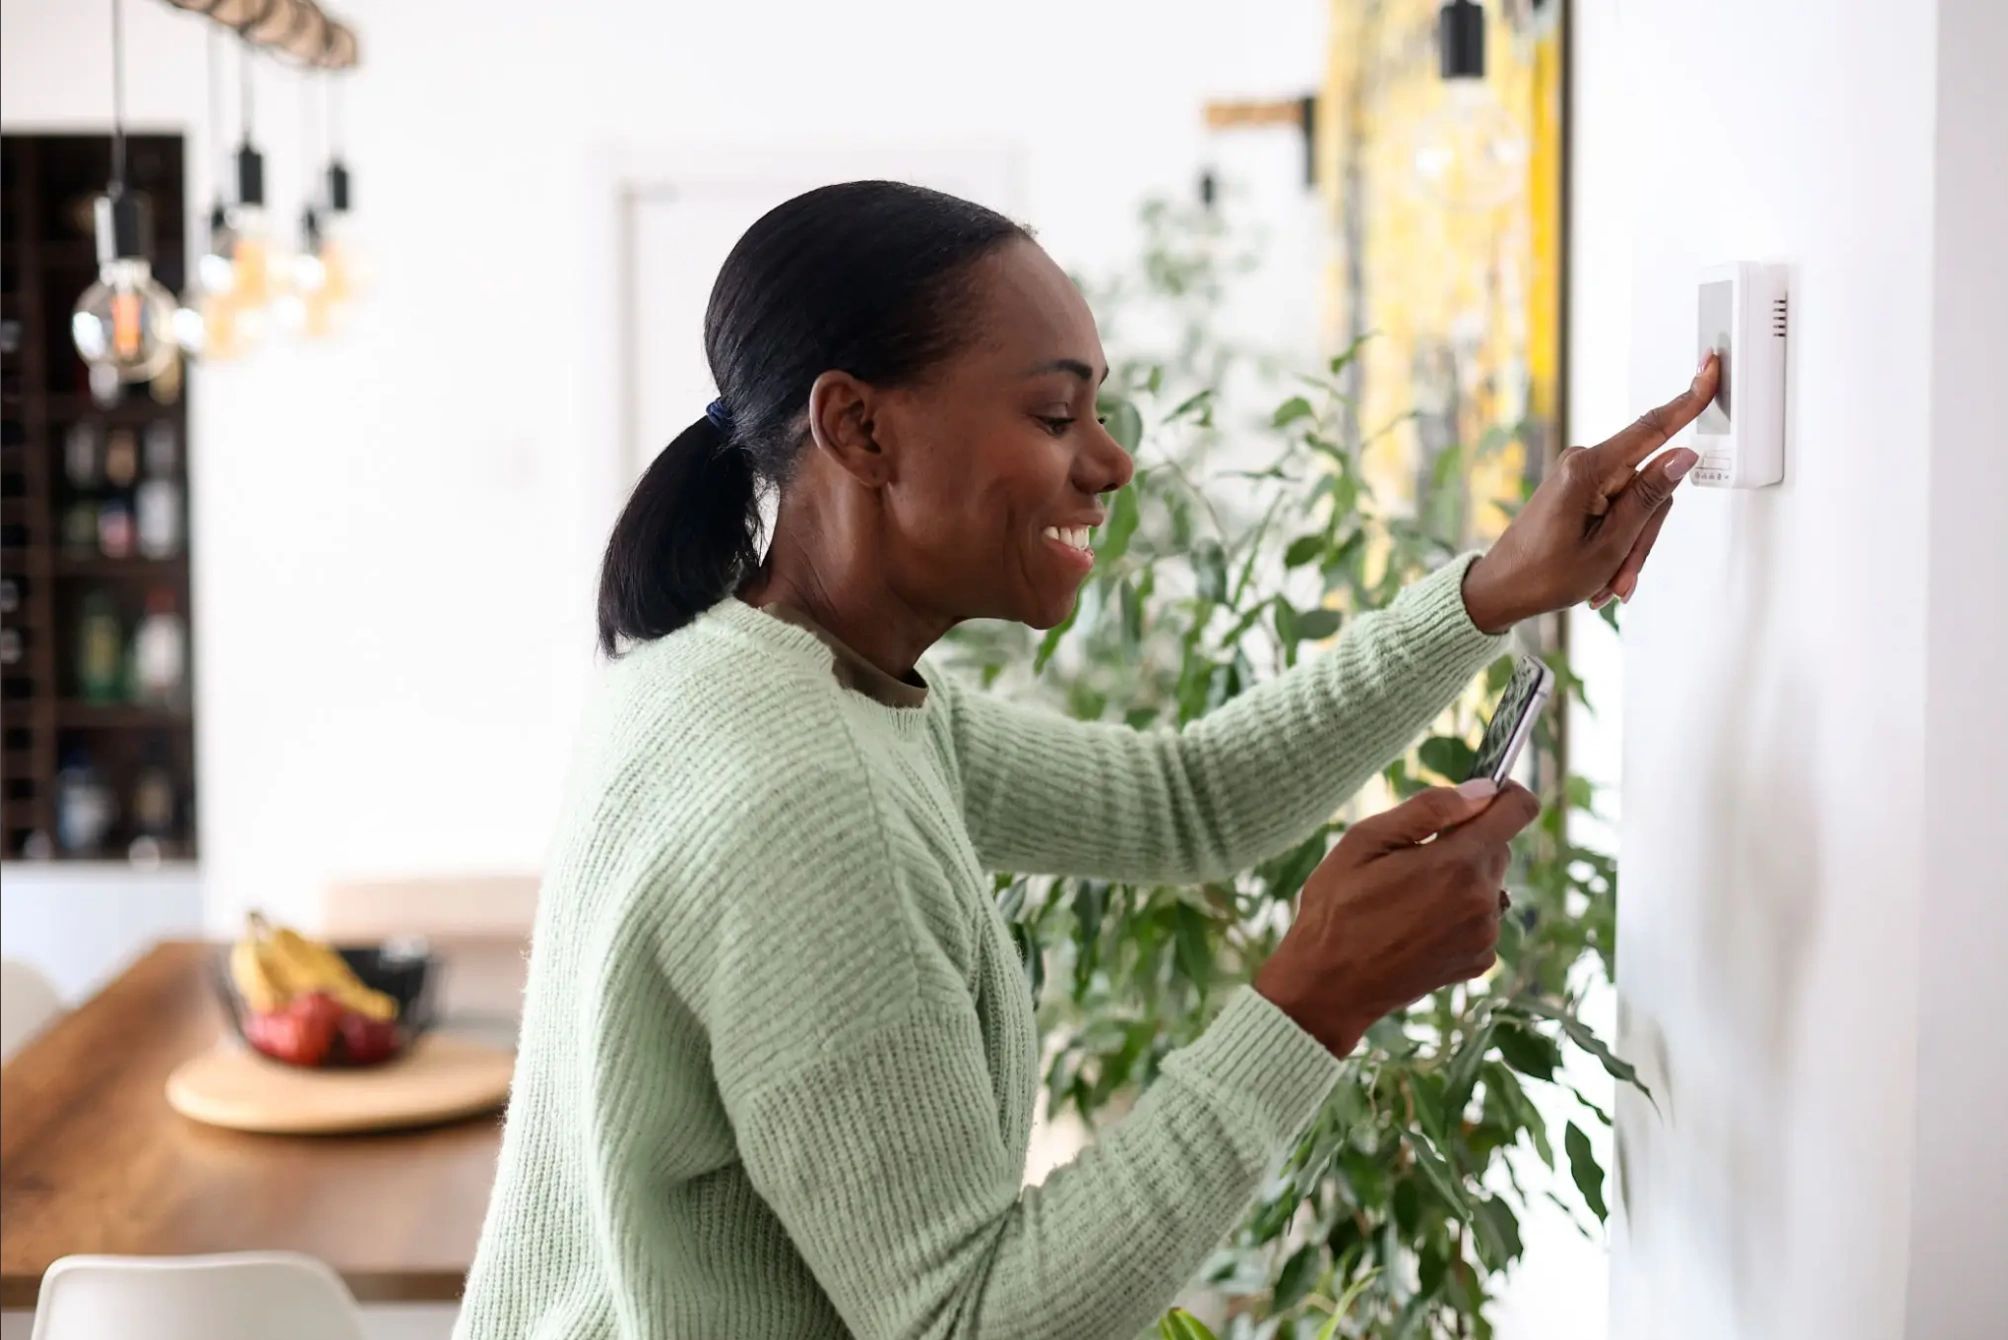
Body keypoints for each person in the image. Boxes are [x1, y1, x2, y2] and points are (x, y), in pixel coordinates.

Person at [455, 181, 1719, 1339]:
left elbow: (1189, 799)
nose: (1111, 461)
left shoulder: (748, 673)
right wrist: (1316, 995)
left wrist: (1486, 593)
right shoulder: (805, 792)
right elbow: (970, 1319)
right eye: (1057, 412)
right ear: (858, 426)